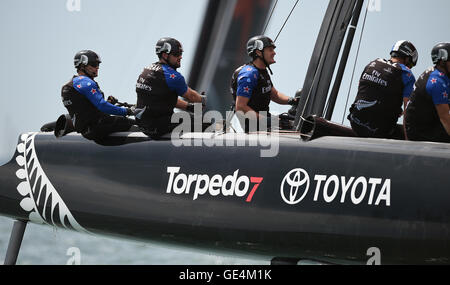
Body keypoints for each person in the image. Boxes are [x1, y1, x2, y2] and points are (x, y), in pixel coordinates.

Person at [61, 50, 140, 143]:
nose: (97, 67)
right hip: (98, 127)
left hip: (87, 131)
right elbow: (102, 106)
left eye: (98, 64)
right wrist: (128, 111)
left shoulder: (70, 85)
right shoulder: (86, 82)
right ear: (82, 65)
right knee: (136, 124)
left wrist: (109, 103)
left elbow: (86, 109)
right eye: (94, 64)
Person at [135, 37, 205, 139]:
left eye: (181, 53)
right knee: (205, 123)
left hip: (142, 124)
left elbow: (164, 99)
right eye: (176, 54)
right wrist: (202, 99)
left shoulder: (146, 70)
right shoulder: (173, 76)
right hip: (158, 127)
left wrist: (189, 107)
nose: (180, 57)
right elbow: (194, 97)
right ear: (164, 55)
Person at [347, 40, 418, 139]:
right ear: (406, 58)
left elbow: (363, 89)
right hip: (379, 129)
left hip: (355, 121)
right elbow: (408, 111)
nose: (409, 67)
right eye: (410, 64)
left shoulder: (373, 63)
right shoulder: (407, 74)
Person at [230, 35, 299, 132]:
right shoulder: (249, 74)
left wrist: (293, 101)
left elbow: (274, 94)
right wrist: (268, 121)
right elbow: (241, 107)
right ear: (258, 52)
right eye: (270, 50)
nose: (274, 53)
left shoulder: (261, 71)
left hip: (265, 121)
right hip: (254, 128)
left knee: (296, 123)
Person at [405, 42, 450, 143]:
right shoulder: (437, 82)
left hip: (429, 124)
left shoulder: (439, 74)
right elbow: (445, 118)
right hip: (422, 133)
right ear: (442, 61)